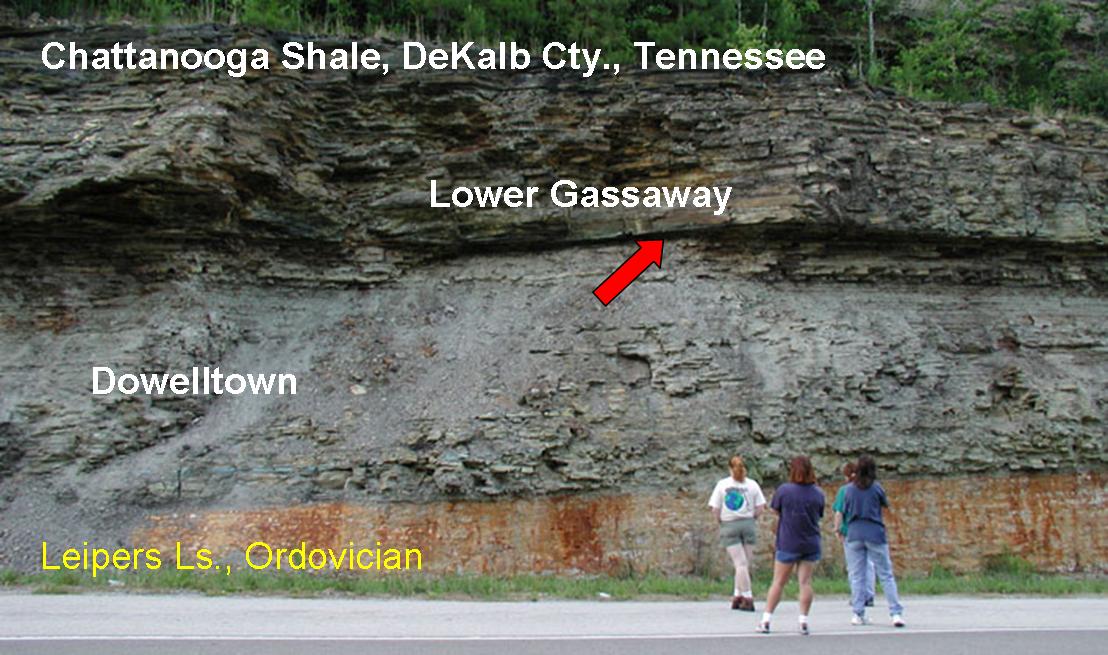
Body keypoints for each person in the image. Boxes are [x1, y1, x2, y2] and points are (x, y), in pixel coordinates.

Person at [757, 456, 824, 635]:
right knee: (805, 582)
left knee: (778, 582)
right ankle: (803, 621)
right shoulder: (818, 493)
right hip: (810, 542)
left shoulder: (784, 490)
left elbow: (776, 510)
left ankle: (766, 620)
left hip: (788, 541)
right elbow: (819, 514)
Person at [842, 455, 906, 628]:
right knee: (885, 574)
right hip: (874, 532)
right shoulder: (876, 488)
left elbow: (845, 510)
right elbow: (884, 505)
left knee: (857, 575)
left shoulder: (849, 489)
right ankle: (895, 613)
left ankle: (858, 613)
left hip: (854, 533)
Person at [707, 454, 767, 611]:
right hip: (748, 523)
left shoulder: (722, 485)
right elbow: (760, 507)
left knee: (739, 564)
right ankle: (737, 595)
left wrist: (720, 521)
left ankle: (747, 597)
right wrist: (752, 517)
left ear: (729, 468)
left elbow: (715, 509)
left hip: (729, 524)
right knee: (744, 564)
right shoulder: (752, 485)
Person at [833, 462, 875, 607]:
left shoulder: (844, 491)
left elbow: (839, 512)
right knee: (869, 564)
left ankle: (858, 596)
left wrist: (837, 529)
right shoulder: (870, 488)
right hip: (870, 530)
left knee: (854, 567)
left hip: (851, 532)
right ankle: (869, 594)